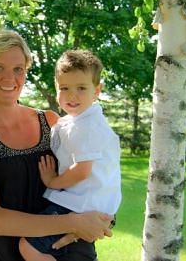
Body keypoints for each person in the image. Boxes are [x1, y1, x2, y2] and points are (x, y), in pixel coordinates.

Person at [0, 30, 113, 261]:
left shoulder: (51, 122)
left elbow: (93, 175)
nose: (10, 78)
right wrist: (74, 223)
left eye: (18, 69)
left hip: (72, 250)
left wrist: (98, 221)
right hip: (8, 254)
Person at [18, 50, 121, 260]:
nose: (72, 96)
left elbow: (82, 171)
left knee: (29, 247)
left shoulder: (85, 126)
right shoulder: (77, 121)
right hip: (90, 202)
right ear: (56, 88)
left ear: (97, 91)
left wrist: (52, 181)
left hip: (81, 203)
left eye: (81, 88)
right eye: (64, 88)